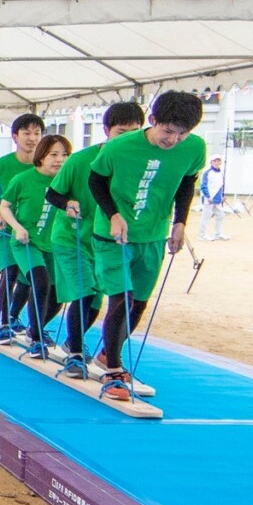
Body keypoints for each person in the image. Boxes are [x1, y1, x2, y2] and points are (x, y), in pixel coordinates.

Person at [84, 91, 204, 403]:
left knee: (138, 303)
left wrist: (180, 222)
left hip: (152, 234)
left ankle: (108, 354)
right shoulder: (120, 146)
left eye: (182, 133)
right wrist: (112, 214)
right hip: (112, 235)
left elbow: (187, 182)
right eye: (168, 131)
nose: (174, 140)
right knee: (120, 298)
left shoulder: (195, 147)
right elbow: (95, 181)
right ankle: (113, 371)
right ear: (152, 121)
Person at [42, 101, 143, 376]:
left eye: (135, 132)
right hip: (70, 238)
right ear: (107, 130)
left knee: (99, 302)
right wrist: (68, 204)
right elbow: (52, 194)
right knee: (84, 293)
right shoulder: (80, 160)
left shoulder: (137, 164)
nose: (127, 139)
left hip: (104, 244)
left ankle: (77, 344)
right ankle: (75, 353)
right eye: (121, 132)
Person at [0, 134, 71, 357]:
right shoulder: (23, 179)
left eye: (65, 155)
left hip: (54, 245)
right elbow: (4, 206)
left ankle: (31, 327)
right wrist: (17, 227)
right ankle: (36, 339)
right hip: (26, 242)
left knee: (57, 294)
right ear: (41, 156)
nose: (60, 159)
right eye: (54, 154)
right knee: (39, 283)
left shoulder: (66, 182)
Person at [0, 114, 46, 340]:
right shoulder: (2, 164)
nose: (32, 138)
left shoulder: (44, 166)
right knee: (11, 271)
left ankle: (15, 316)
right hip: (4, 229)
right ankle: (4, 321)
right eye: (26, 133)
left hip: (32, 231)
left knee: (29, 276)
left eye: (37, 133)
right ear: (15, 136)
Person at [197, 156, 229, 240]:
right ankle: (202, 235)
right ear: (211, 162)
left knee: (220, 215)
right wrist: (207, 196)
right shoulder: (207, 172)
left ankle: (218, 233)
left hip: (217, 199)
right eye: (215, 161)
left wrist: (221, 196)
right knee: (206, 216)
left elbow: (220, 186)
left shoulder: (221, 173)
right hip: (208, 199)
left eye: (218, 161)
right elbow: (203, 185)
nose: (217, 162)